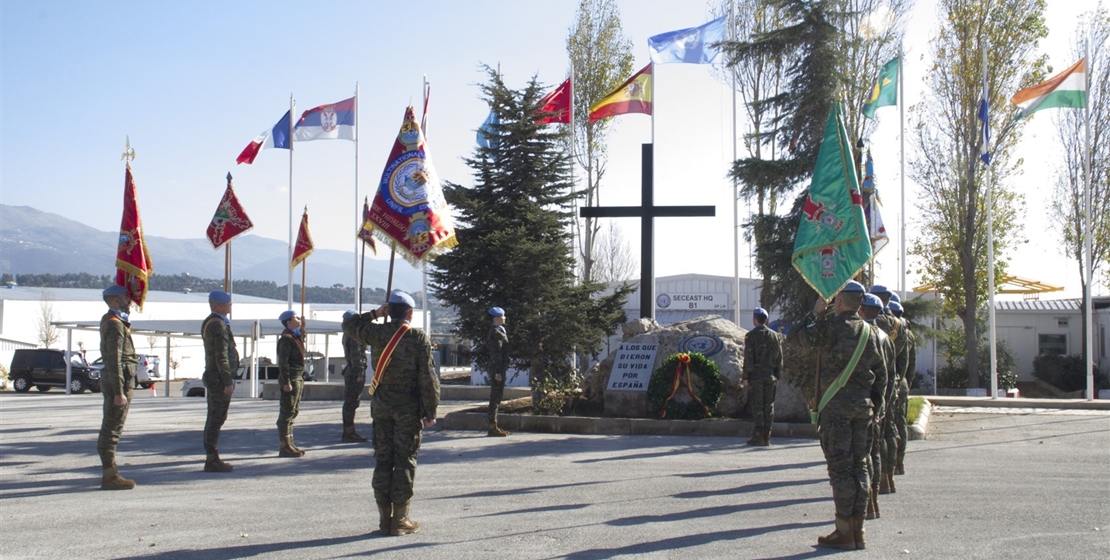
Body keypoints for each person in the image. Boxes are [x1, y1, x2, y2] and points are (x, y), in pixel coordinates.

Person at [793, 281, 887, 550]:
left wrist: (815, 313)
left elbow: (794, 337)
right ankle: (858, 531)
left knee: (841, 469)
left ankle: (844, 531)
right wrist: (877, 408)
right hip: (863, 408)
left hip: (836, 410)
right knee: (861, 465)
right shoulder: (873, 333)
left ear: (839, 303)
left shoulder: (829, 327)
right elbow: (881, 376)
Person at [343, 291, 439, 537]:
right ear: (410, 313)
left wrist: (375, 313)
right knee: (405, 460)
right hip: (408, 405)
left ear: (390, 310)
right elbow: (427, 378)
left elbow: (350, 324)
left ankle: (384, 519)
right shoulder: (417, 337)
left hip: (382, 404)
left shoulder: (377, 333)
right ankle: (401, 519)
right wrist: (431, 410)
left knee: (383, 458)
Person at [97, 285, 139, 490]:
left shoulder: (117, 321)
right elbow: (114, 360)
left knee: (113, 428)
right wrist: (119, 391)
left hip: (121, 381)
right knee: (112, 429)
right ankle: (109, 475)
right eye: (125, 297)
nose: (129, 300)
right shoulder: (114, 324)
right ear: (114, 300)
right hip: (118, 384)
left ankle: (110, 473)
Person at [859, 293, 896, 519]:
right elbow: (890, 375)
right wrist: (883, 404)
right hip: (878, 403)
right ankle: (874, 501)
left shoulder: (863, 335)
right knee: (875, 452)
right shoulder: (885, 337)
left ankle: (868, 504)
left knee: (864, 455)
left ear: (861, 310)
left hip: (862, 403)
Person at [869, 285, 905, 495]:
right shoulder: (899, 324)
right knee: (889, 430)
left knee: (874, 439)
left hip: (875, 386)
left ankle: (877, 483)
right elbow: (905, 362)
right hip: (894, 382)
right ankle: (888, 476)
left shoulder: (872, 324)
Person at [201, 290, 237, 472]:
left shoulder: (214, 322)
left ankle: (212, 455)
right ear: (219, 305)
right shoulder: (217, 325)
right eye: (228, 304)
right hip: (218, 379)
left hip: (216, 377)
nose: (230, 306)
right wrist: (227, 381)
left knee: (216, 417)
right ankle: (211, 458)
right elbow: (221, 356)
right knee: (216, 418)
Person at [741, 307, 782, 446]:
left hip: (756, 376)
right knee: (769, 406)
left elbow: (749, 358)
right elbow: (779, 358)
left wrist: (745, 376)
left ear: (755, 319)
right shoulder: (775, 336)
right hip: (770, 375)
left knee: (758, 406)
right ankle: (767, 436)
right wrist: (778, 375)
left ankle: (758, 436)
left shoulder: (751, 336)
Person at [276, 310, 307, 457]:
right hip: (292, 377)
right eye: (296, 317)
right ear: (288, 322)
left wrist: (303, 327)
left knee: (293, 411)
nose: (299, 318)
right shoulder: (286, 339)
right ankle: (284, 446)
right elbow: (283, 362)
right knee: (287, 412)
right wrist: (286, 381)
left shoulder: (295, 336)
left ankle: (290, 443)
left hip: (298, 376)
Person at [889, 300, 915, 475]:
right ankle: (899, 463)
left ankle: (888, 466)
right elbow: (910, 366)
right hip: (902, 383)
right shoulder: (909, 334)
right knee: (900, 425)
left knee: (889, 427)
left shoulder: (887, 332)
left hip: (891, 383)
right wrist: (906, 384)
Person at [340, 310, 369, 442]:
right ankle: (349, 432)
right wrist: (360, 373)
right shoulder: (354, 335)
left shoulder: (347, 333)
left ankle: (348, 430)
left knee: (350, 402)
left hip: (350, 369)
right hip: (354, 371)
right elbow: (357, 355)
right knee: (352, 402)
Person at [486, 306, 510, 437]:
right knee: (495, 397)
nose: (505, 318)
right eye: (503, 316)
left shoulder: (500, 331)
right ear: (496, 318)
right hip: (497, 370)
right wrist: (497, 372)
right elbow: (496, 354)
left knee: (497, 397)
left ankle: (493, 425)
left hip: (499, 369)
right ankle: (492, 427)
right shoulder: (496, 333)